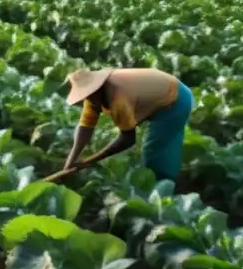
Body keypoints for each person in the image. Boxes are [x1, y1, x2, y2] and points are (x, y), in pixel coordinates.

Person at [49, 67, 193, 184]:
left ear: (98, 88)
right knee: (165, 146)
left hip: (176, 99)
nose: (88, 99)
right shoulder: (94, 97)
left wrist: (90, 160)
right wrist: (72, 159)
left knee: (155, 151)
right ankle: (168, 177)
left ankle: (163, 191)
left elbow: (128, 139)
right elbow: (85, 127)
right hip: (164, 91)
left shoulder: (118, 96)